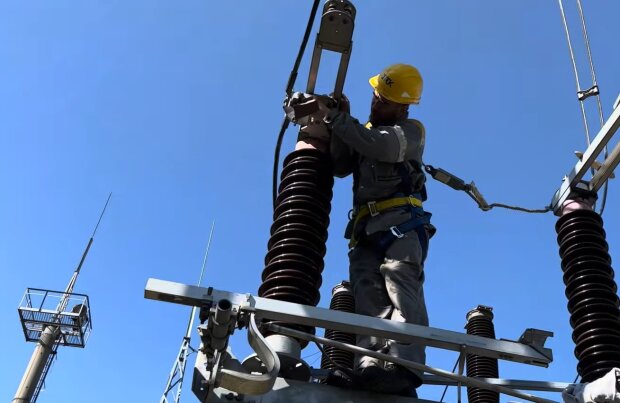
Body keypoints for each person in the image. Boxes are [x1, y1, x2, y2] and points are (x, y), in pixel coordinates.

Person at [301, 63, 434, 397]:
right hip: (366, 229)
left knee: (400, 284)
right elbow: (342, 165)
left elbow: (380, 146)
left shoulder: (409, 131)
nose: (376, 103)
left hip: (401, 224)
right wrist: (340, 120)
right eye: (376, 96)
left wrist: (339, 120)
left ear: (403, 107)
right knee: (367, 295)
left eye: (384, 101)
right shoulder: (365, 130)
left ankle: (404, 368)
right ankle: (370, 365)